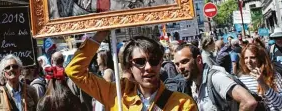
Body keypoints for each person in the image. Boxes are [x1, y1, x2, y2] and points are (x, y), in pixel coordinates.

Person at [66, 31, 197, 110]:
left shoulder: (182, 103)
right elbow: (74, 71)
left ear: (160, 63)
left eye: (154, 61)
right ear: (129, 66)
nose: (148, 67)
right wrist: (100, 35)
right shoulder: (115, 94)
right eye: (140, 62)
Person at [173, 43, 257, 110]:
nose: (180, 67)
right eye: (177, 64)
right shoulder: (193, 86)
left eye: (184, 61)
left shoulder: (216, 78)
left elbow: (249, 102)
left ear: (199, 60)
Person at [238, 44, 282, 111]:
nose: (248, 61)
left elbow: (281, 104)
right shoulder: (242, 79)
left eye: (252, 57)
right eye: (246, 58)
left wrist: (262, 83)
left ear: (260, 59)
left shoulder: (274, 76)